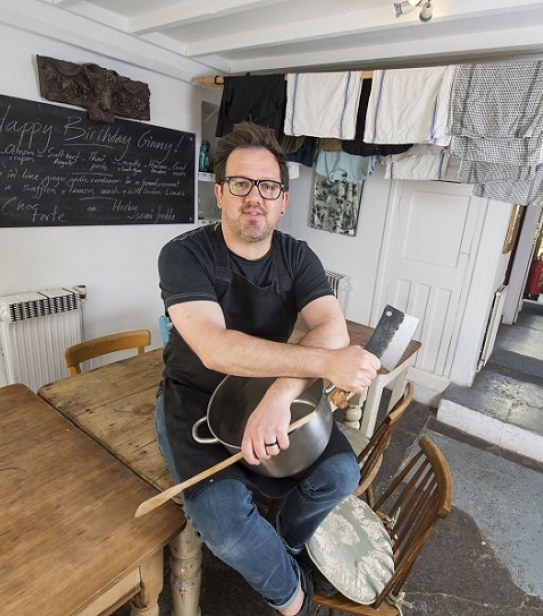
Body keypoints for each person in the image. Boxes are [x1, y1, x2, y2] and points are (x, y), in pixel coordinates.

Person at [156, 121, 380, 616]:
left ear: (283, 200)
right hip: (195, 396)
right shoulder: (183, 254)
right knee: (225, 523)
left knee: (341, 474)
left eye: (268, 186)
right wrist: (325, 364)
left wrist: (280, 394)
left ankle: (285, 546)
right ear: (220, 194)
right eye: (240, 184)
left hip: (269, 390)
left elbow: (331, 325)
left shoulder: (297, 256)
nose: (253, 197)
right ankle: (296, 599)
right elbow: (215, 348)